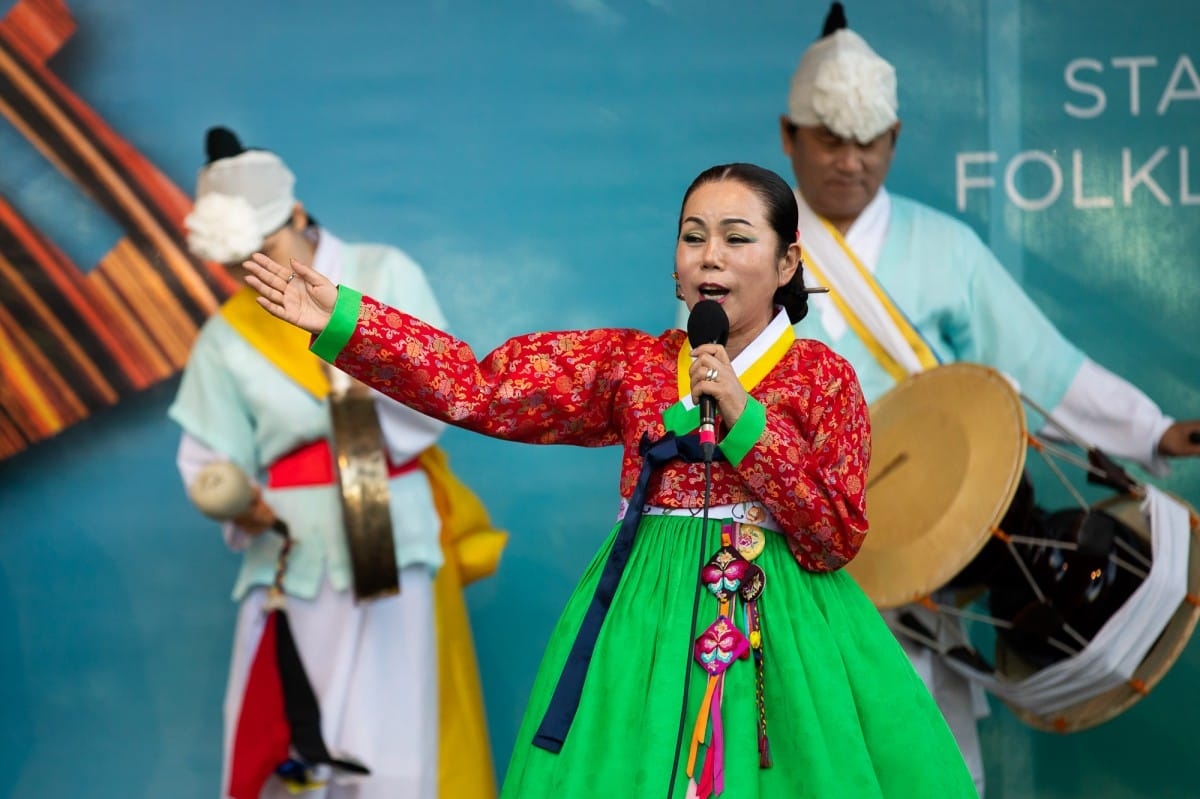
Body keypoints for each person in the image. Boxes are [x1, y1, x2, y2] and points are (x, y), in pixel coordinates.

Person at [242, 162, 979, 798]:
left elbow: (835, 536)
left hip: (785, 637)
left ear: (788, 263)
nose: (709, 256)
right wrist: (344, 323)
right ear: (674, 263)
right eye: (693, 236)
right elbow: (480, 385)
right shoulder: (635, 367)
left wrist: (746, 420)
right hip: (644, 625)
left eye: (736, 237)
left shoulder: (823, 377)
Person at [762, 3, 1200, 795]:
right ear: (788, 136)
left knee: (928, 754)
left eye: (870, 142)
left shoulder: (946, 248)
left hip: (928, 553)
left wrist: (1155, 431)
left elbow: (1038, 364)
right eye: (829, 139)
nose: (851, 162)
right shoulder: (746, 256)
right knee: (807, 757)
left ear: (894, 140)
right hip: (802, 554)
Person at [169, 127, 505, 799]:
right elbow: (208, 457)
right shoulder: (227, 331)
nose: (251, 272)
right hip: (295, 550)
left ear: (296, 214)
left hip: (394, 531)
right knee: (301, 738)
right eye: (235, 262)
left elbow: (445, 391)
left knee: (402, 730)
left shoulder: (386, 274)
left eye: (263, 248)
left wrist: (349, 347)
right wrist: (245, 503)